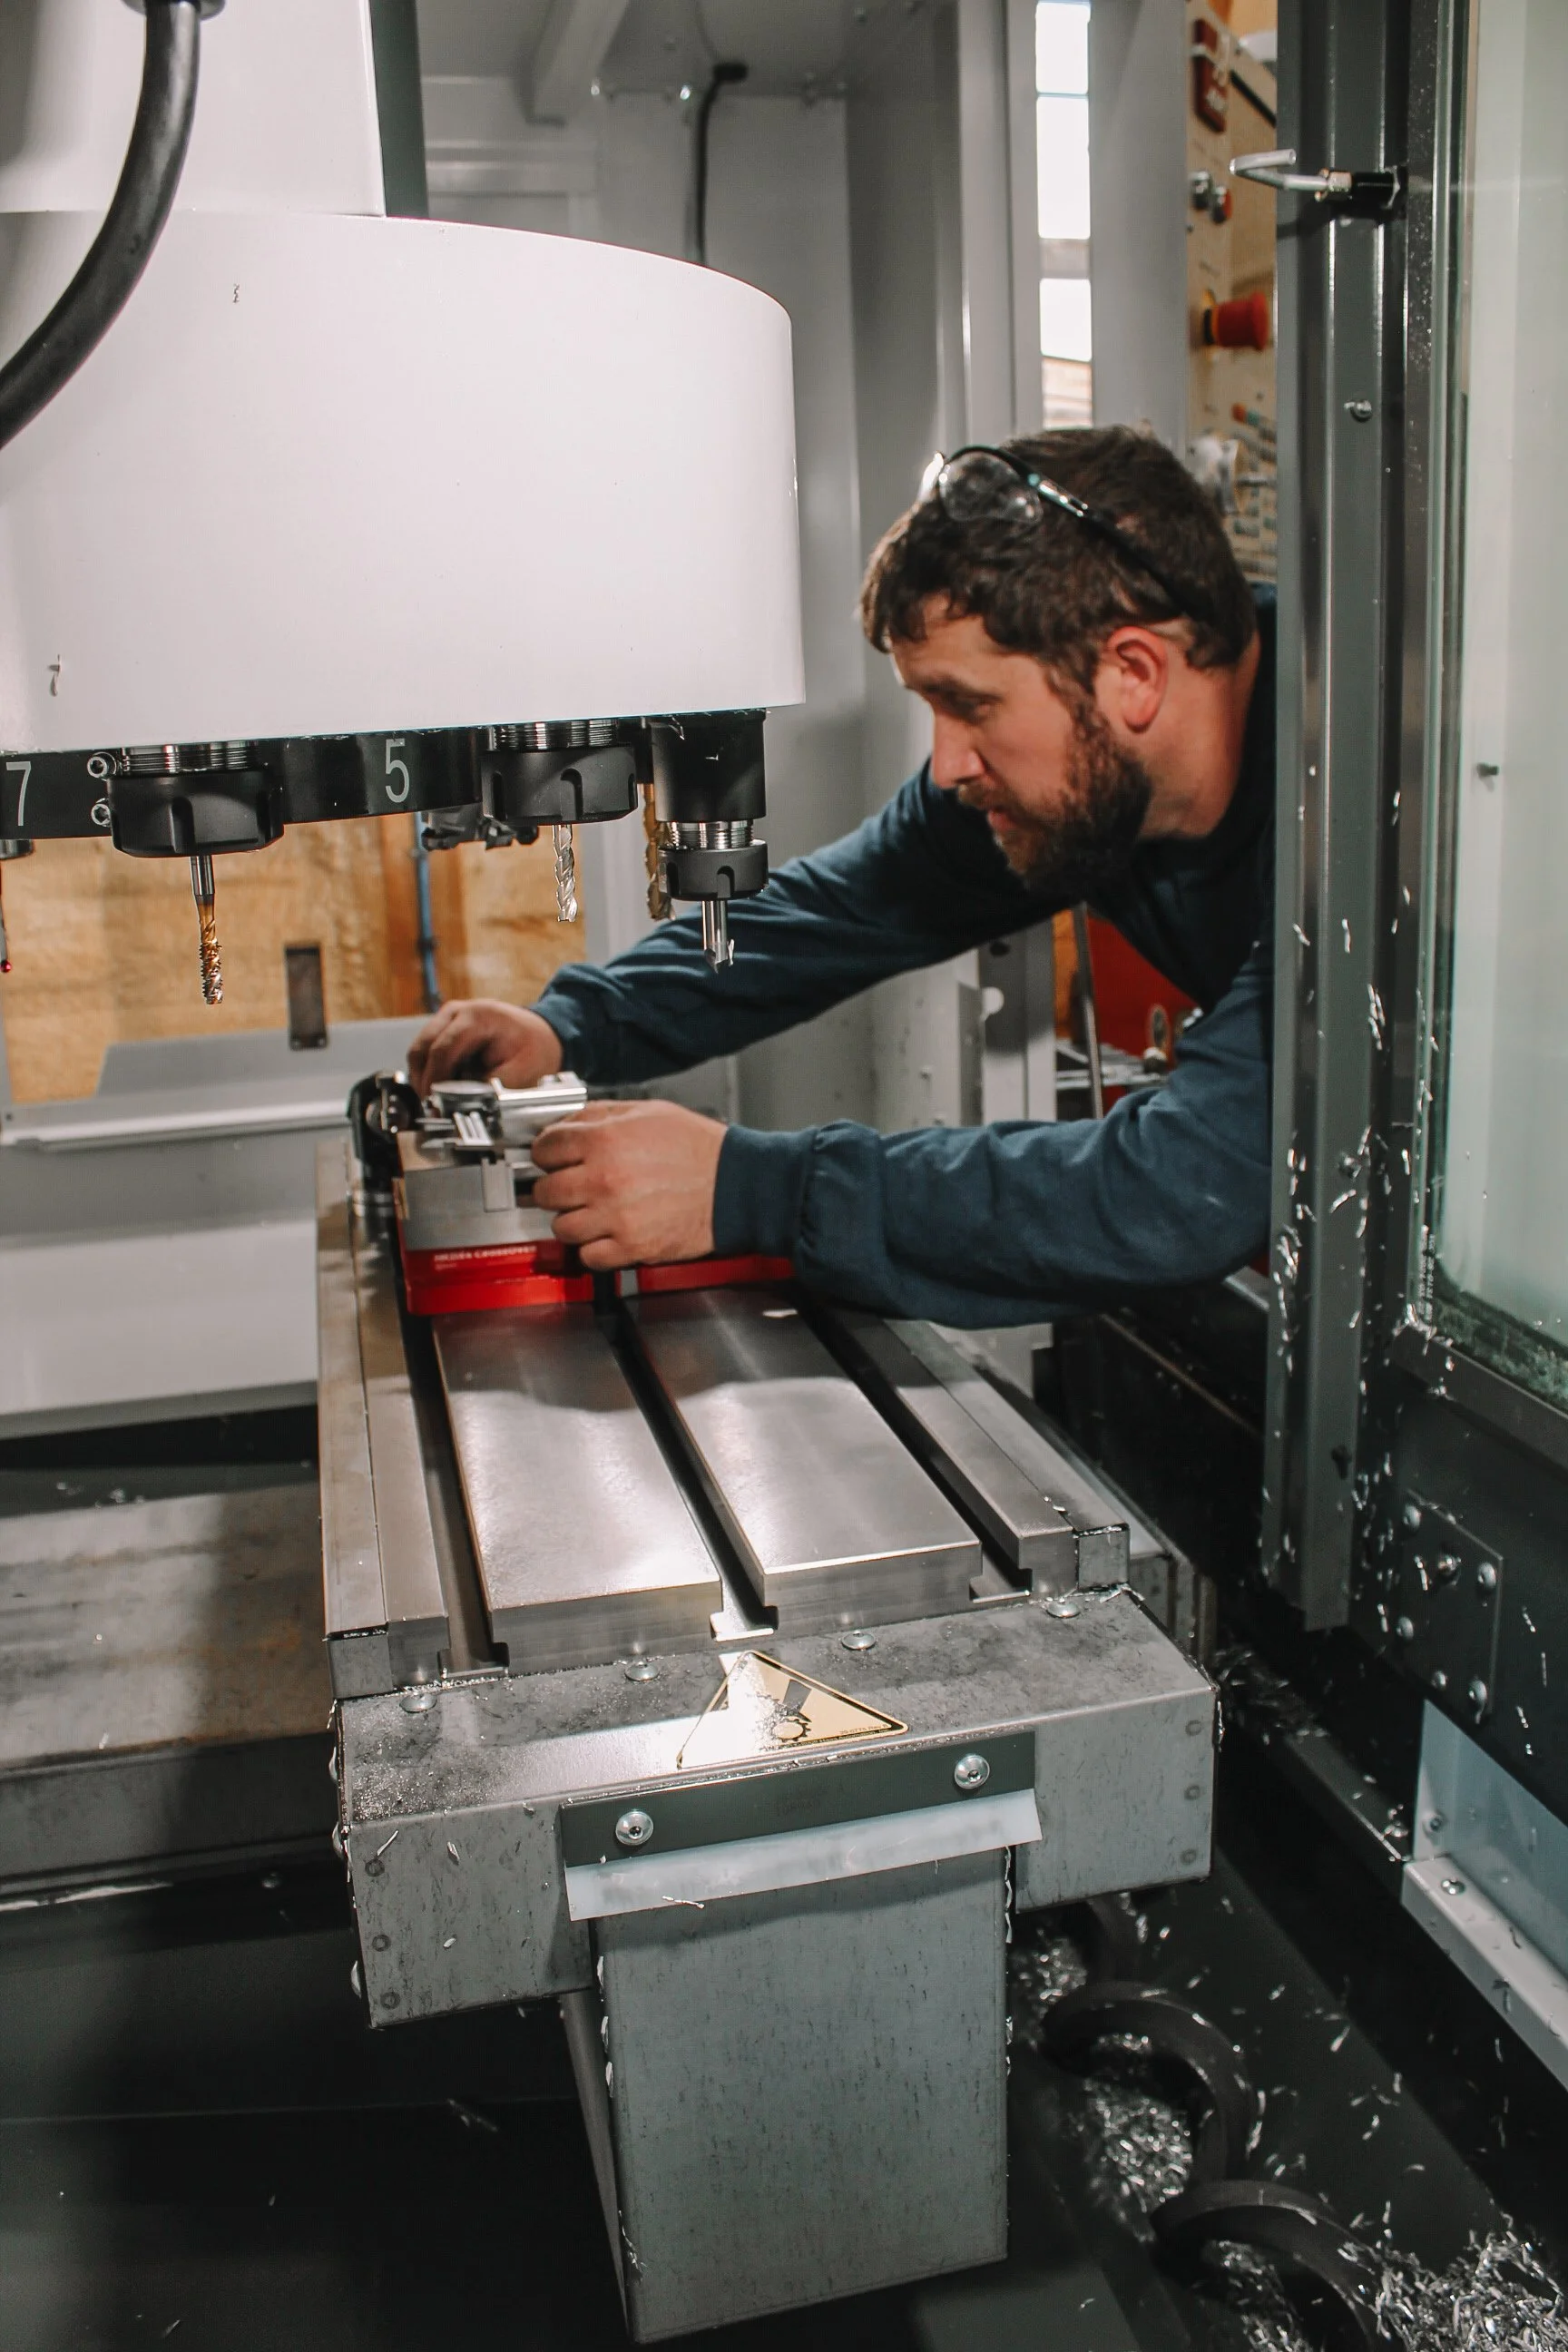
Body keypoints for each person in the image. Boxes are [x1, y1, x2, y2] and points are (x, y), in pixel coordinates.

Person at [407, 426, 1273, 1328]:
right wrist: (573, 1024)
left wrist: (751, 1189)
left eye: (969, 706)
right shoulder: (1070, 779)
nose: (945, 766)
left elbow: (1180, 1189)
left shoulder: (1357, 825)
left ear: (1133, 673)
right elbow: (828, 914)